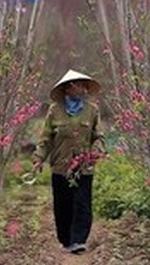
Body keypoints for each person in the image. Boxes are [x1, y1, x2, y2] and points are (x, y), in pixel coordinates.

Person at [31, 69, 105, 254]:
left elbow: (99, 137)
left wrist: (95, 151)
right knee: (63, 205)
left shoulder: (92, 110)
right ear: (67, 89)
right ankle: (66, 239)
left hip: (83, 166)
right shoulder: (55, 111)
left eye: (82, 86)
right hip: (60, 166)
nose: (81, 89)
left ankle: (79, 240)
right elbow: (46, 138)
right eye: (77, 86)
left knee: (82, 203)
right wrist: (38, 158)